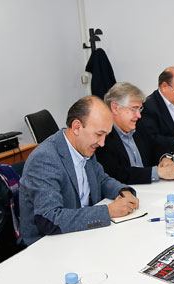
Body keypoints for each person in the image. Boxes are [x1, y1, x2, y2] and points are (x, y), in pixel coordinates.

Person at [19, 96, 139, 246]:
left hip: (81, 235)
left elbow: (101, 179)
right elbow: (50, 219)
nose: (102, 143)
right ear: (76, 127)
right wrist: (108, 211)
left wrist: (122, 191)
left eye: (105, 136)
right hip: (47, 246)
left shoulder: (85, 146)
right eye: (98, 134)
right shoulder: (45, 158)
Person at [96, 82, 174, 185]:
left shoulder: (138, 127)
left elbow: (155, 147)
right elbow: (116, 173)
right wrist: (156, 172)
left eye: (139, 109)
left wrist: (164, 158)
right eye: (134, 109)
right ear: (115, 108)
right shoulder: (102, 136)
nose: (139, 115)